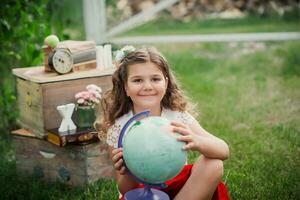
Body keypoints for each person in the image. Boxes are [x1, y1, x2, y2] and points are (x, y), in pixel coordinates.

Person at [95, 46, 230, 200]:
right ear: (126, 87)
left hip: (180, 187)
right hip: (142, 192)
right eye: (138, 80)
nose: (147, 86)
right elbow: (125, 189)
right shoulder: (120, 128)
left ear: (165, 83)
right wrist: (126, 171)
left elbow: (224, 151)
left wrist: (197, 141)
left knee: (214, 164)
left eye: (155, 79)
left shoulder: (177, 117)